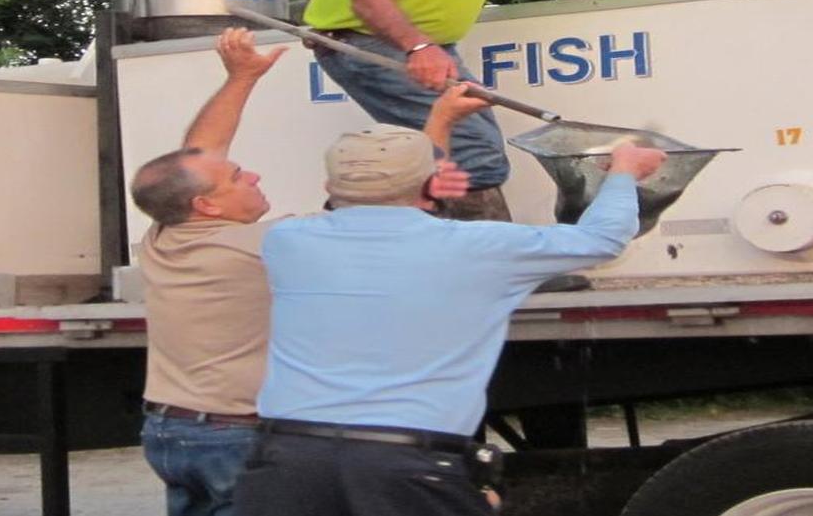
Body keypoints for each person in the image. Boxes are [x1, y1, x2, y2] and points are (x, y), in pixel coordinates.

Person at [130, 27, 481, 516]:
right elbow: (390, 199)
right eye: (237, 177)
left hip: (171, 433)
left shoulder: (165, 235)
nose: (251, 175)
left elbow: (195, 155)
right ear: (207, 205)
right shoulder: (270, 244)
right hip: (234, 435)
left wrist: (241, 77)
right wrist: (439, 121)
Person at [234, 127, 667, 516]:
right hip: (408, 463)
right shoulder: (478, 246)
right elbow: (602, 239)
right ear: (429, 187)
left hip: (287, 457)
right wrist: (623, 172)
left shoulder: (286, 241)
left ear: (329, 185)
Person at [303, 0, 645, 220]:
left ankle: (411, 249)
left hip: (425, 45)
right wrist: (418, 46)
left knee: (438, 153)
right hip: (363, 42)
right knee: (474, 150)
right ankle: (493, 263)